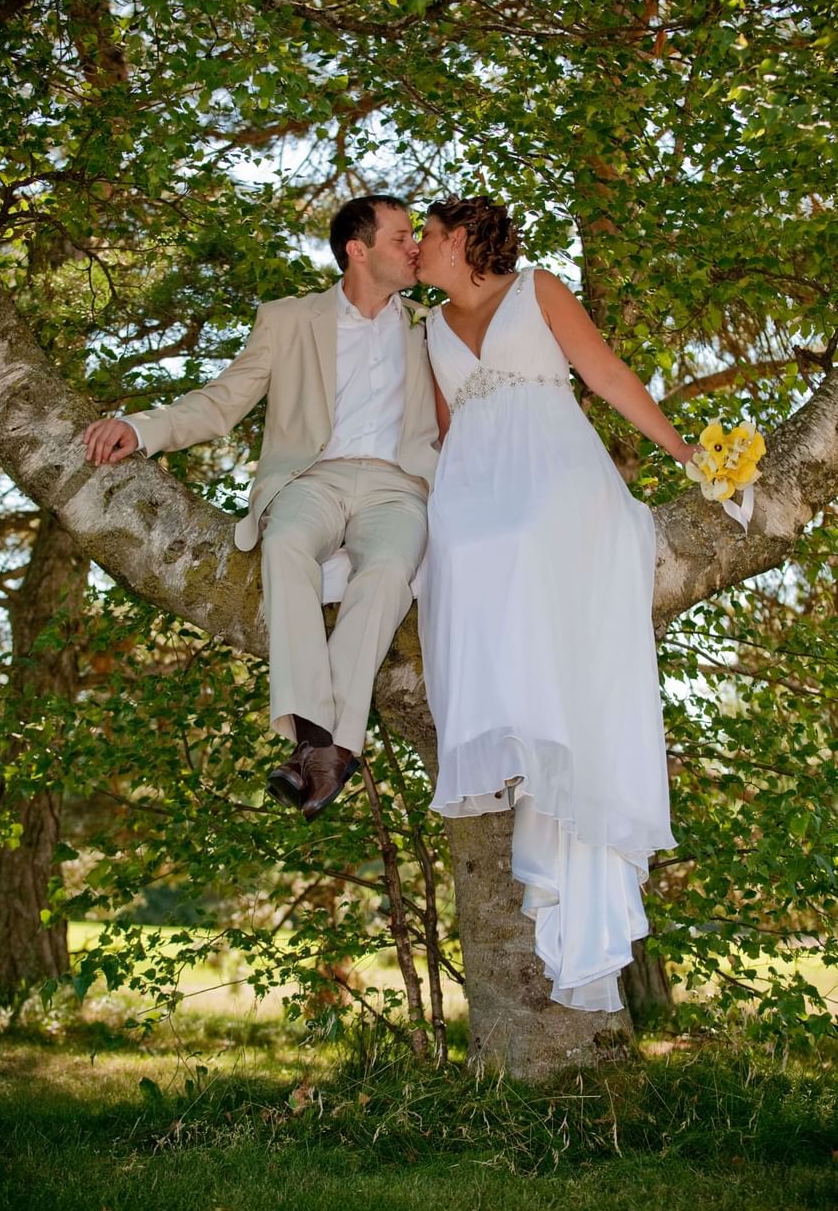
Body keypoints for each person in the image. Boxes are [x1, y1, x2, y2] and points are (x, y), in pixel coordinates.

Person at [415, 196, 693, 1012]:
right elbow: (440, 432)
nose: (417, 250)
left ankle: (559, 746)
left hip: (556, 474)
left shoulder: (540, 289)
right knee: (458, 549)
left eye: (426, 238)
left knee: (533, 539)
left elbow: (604, 374)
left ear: (460, 240)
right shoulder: (428, 327)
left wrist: (680, 449)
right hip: (472, 485)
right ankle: (517, 731)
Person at [84, 196, 439, 821]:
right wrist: (141, 428)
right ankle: (327, 746)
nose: (416, 247)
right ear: (358, 249)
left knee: (387, 572)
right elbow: (223, 401)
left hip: (398, 486)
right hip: (312, 478)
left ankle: (316, 749)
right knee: (286, 545)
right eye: (402, 236)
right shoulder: (288, 319)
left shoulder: (429, 326)